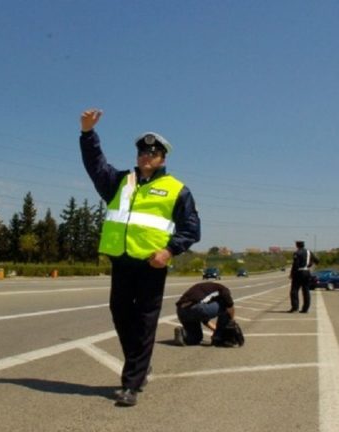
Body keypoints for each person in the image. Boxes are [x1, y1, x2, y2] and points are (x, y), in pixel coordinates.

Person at [79, 108, 201, 407]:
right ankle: (141, 366)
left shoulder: (176, 190)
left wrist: (169, 251)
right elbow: (95, 165)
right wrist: (87, 134)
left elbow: (191, 228)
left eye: (153, 153)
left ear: (163, 158)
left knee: (145, 323)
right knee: (121, 315)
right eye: (142, 152)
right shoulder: (121, 182)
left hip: (151, 264)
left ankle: (131, 385)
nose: (146, 157)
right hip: (121, 261)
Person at [174, 281, 243, 347]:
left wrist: (216, 330)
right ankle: (218, 338)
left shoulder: (205, 291)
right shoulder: (223, 289)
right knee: (226, 306)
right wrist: (232, 320)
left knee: (196, 338)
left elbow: (204, 319)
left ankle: (183, 334)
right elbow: (230, 306)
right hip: (196, 308)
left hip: (181, 311)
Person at [288, 240, 318, 313]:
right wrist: (309, 265)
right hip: (307, 272)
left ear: (297, 245)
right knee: (306, 291)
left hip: (299, 272)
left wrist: (292, 273)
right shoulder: (309, 252)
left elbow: (295, 264)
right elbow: (317, 261)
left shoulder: (297, 253)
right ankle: (305, 308)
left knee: (294, 290)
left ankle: (295, 307)